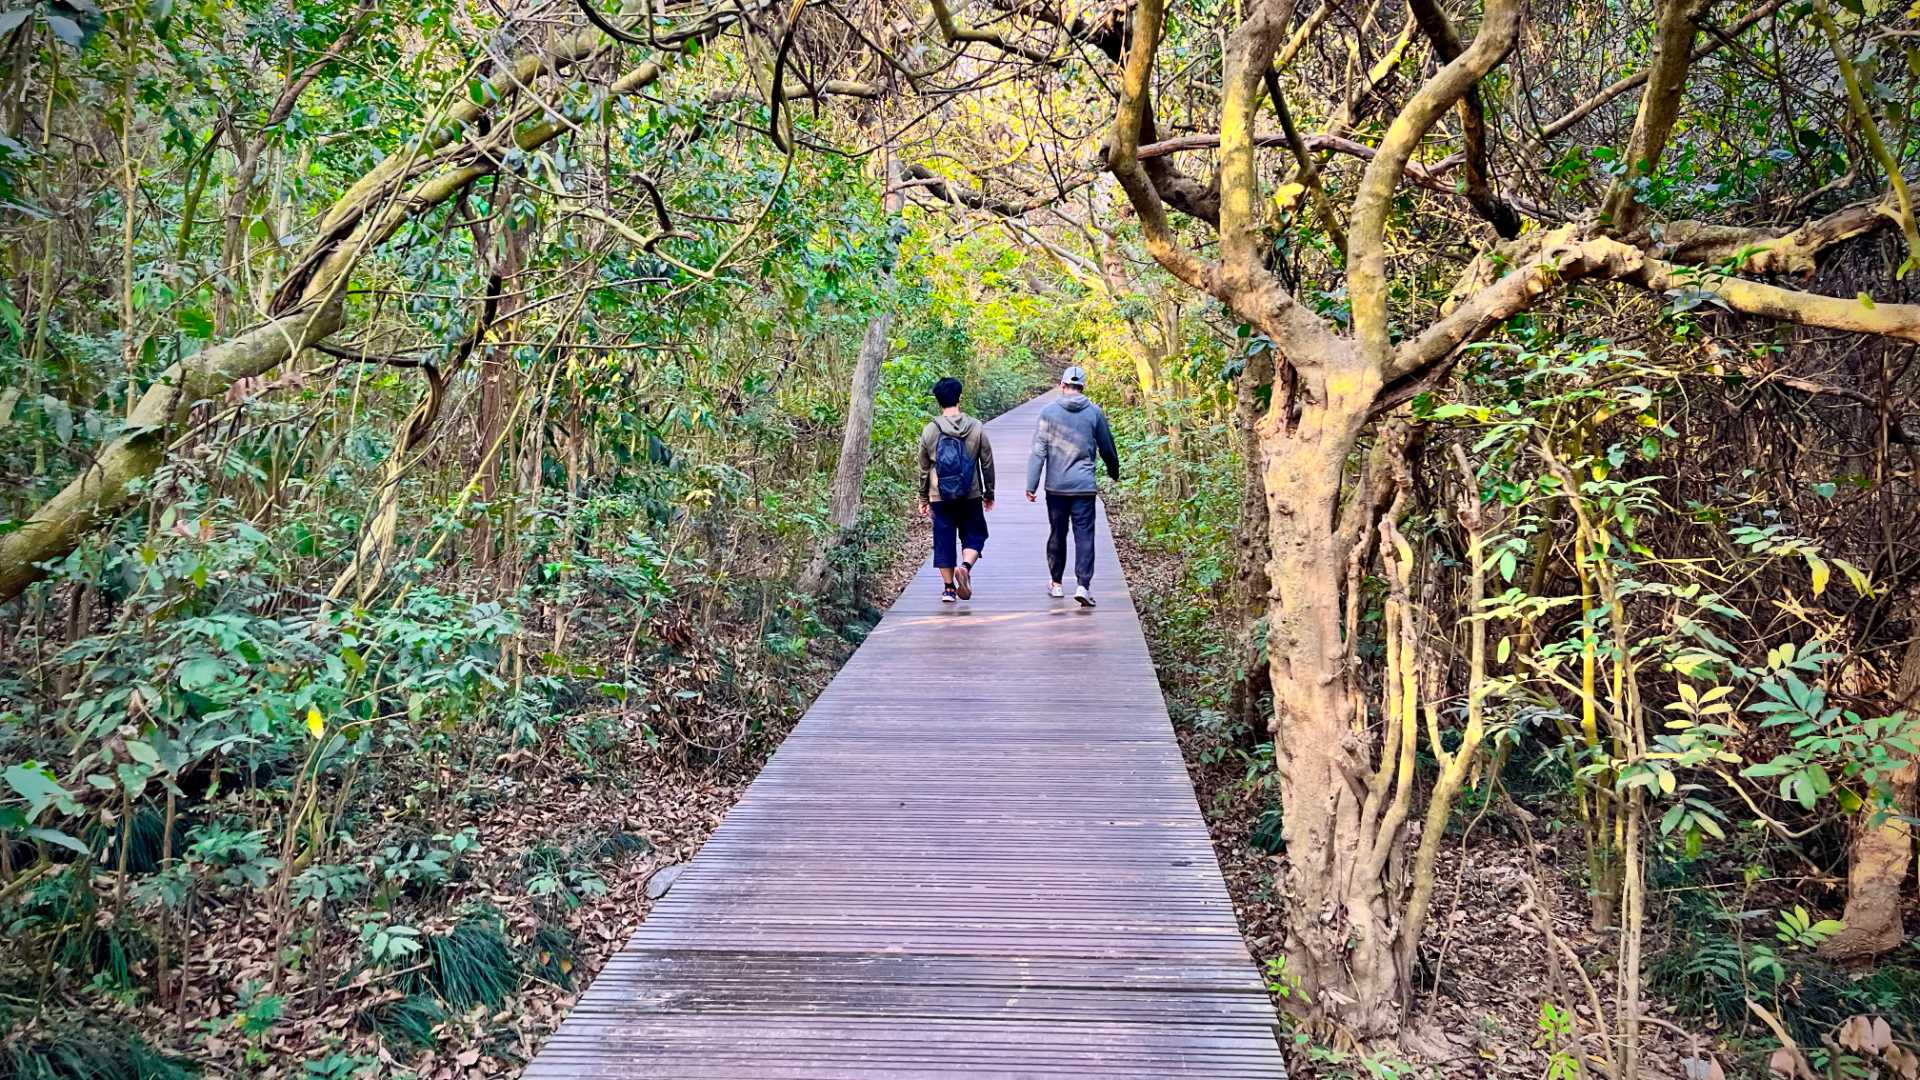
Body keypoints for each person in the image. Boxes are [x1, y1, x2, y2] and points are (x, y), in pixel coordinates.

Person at [1025, 365, 1120, 607]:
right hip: (1084, 486)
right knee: (1084, 535)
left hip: (1056, 486)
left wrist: (1031, 484)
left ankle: (1056, 585)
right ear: (1083, 387)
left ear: (1062, 385)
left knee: (1058, 533)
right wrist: (1113, 470)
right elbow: (1107, 446)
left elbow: (1039, 451)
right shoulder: (1094, 413)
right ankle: (1083, 585)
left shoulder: (1048, 412)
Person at [918, 376, 995, 603]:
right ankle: (965, 566)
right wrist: (989, 493)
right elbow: (987, 463)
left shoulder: (930, 430)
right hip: (970, 493)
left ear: (938, 401)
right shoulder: (976, 427)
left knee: (944, 538)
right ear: (960, 398)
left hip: (939, 494)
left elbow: (923, 468)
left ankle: (949, 589)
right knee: (975, 533)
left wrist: (923, 498)